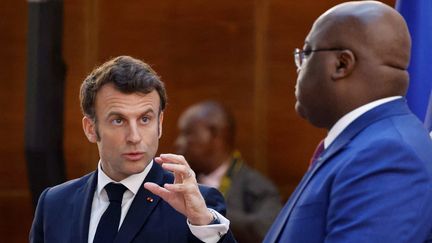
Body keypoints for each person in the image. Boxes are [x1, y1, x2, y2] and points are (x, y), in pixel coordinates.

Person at [263, 1, 432, 242]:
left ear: (342, 64)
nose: (299, 69)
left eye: (306, 53)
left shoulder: (388, 155)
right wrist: (206, 224)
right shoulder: (365, 142)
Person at [29, 56, 236, 243]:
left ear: (160, 124)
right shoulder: (54, 203)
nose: (135, 137)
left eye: (145, 119)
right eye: (118, 120)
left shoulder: (198, 204)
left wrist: (203, 222)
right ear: (91, 129)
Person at [175, 101, 282, 243]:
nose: (178, 143)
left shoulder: (256, 186)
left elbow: (267, 229)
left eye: (187, 134)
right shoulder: (179, 182)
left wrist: (206, 213)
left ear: (215, 135)